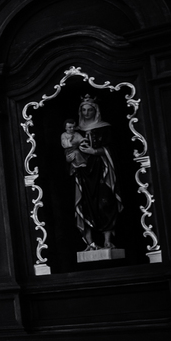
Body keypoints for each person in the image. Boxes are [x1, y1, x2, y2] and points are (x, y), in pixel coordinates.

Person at [71, 96, 122, 250]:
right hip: (83, 171)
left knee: (105, 202)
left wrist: (94, 151)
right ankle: (90, 242)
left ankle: (107, 240)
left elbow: (113, 150)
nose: (86, 113)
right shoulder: (76, 131)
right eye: (83, 110)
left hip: (102, 169)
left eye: (90, 110)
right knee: (85, 204)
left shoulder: (105, 127)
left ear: (96, 111)